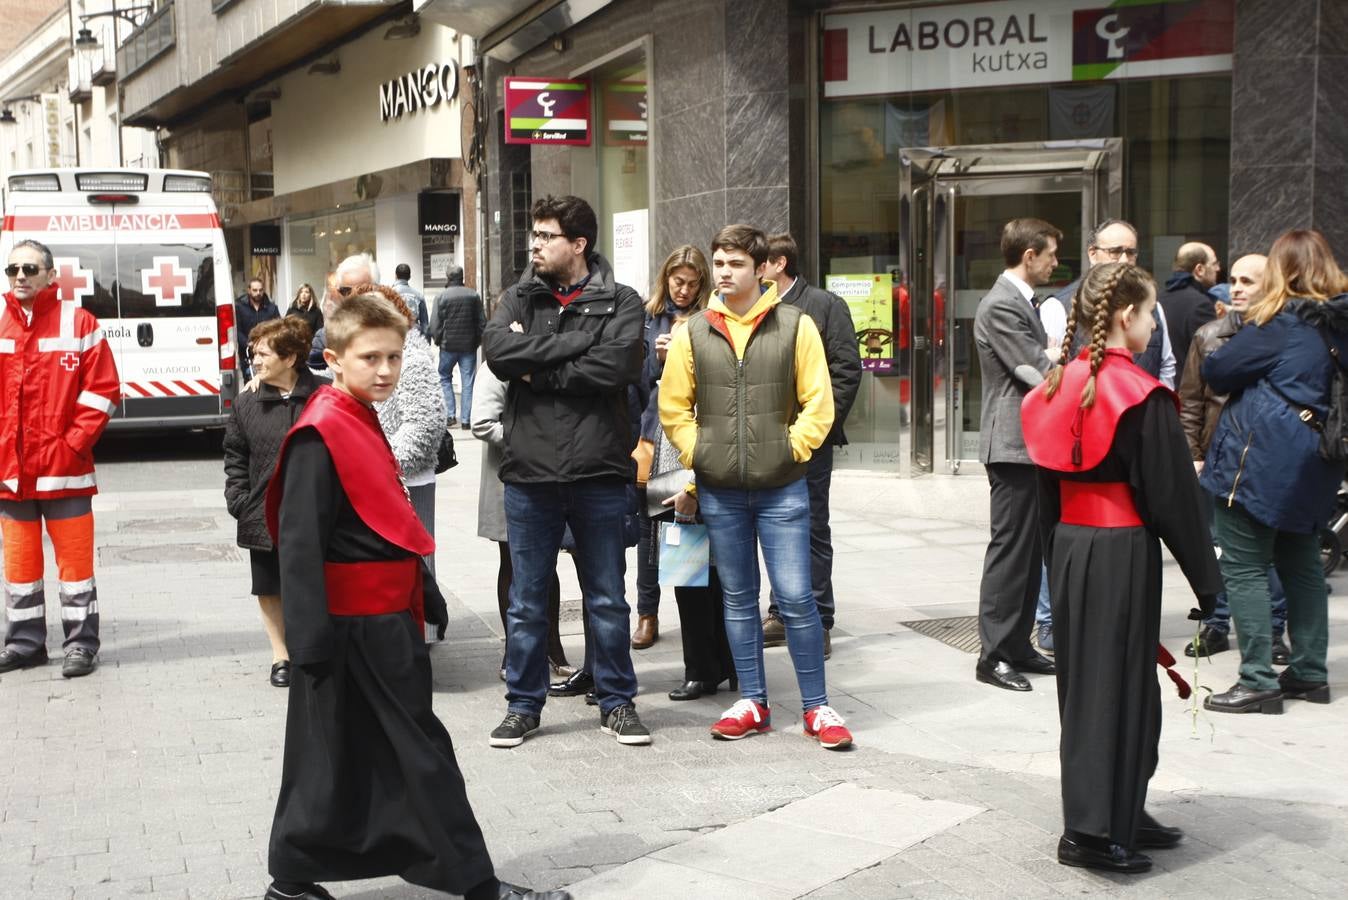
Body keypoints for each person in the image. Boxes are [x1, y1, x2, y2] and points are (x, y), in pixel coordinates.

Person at [262, 293, 567, 900]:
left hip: (380, 621)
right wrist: (311, 645)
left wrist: (422, 586)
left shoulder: (358, 417)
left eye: (394, 357)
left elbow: (382, 516)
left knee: (332, 758)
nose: (384, 370)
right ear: (332, 358)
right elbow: (298, 549)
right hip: (353, 632)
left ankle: (291, 879)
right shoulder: (319, 435)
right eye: (369, 357)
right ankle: (479, 886)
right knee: (418, 753)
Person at [1022, 261, 1222, 875]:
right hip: (1122, 548)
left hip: (1073, 549)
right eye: (1150, 312)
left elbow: (1044, 498)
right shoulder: (1140, 395)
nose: (1154, 323)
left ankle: (1119, 810)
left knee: (1095, 687)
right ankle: (1090, 831)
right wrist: (1211, 588)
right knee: (1118, 690)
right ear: (1126, 317)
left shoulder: (1055, 387)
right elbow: (1175, 503)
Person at [660, 224, 852, 750]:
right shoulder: (694, 331)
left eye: (736, 264)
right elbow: (674, 406)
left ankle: (817, 706)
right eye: (719, 263)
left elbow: (820, 400)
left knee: (795, 598)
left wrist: (793, 447)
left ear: (762, 268)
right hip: (720, 488)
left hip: (783, 487)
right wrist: (698, 453)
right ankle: (753, 701)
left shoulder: (796, 325)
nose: (724, 273)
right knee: (739, 600)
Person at [481, 195, 650, 749]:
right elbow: (501, 354)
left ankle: (617, 702)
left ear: (578, 244)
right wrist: (576, 345)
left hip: (599, 471)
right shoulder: (517, 297)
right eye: (534, 234)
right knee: (527, 600)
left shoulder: (621, 300)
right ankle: (523, 706)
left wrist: (542, 367)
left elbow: (620, 364)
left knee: (607, 596)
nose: (535, 244)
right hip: (529, 473)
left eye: (546, 236)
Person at [1199, 229, 1348, 714]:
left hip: (1261, 461)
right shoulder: (1338, 324)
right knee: (1301, 561)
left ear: (1281, 270)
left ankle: (1258, 678)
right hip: (1318, 460)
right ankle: (1308, 673)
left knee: (1243, 566)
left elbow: (1217, 369)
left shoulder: (1281, 324)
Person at [0, 239, 120, 678]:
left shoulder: (80, 322)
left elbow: (104, 390)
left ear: (51, 276)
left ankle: (81, 645)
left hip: (65, 472)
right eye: (13, 269)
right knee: (19, 568)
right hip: (10, 475)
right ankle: (25, 643)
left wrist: (71, 446)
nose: (20, 276)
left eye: (30, 269)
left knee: (74, 569)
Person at [1177, 254, 1289, 662]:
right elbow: (1190, 400)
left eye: (1249, 281)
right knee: (1216, 547)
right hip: (1218, 460)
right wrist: (1193, 453)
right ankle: (1218, 623)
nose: (1237, 287)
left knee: (1268, 550)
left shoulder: (1284, 336)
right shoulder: (1208, 336)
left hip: (1265, 460)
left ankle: (1273, 629)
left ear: (1270, 286)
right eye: (1235, 279)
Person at [760, 233, 862, 658]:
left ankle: (818, 619)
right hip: (766, 438)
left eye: (759, 262)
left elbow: (846, 370)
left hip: (811, 441)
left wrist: (816, 426)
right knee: (773, 526)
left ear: (779, 263)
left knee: (811, 528)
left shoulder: (824, 305)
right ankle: (780, 611)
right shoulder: (758, 307)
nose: (753, 269)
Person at [972, 218, 1060, 692]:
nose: (1053, 263)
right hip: (1011, 446)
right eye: (1049, 254)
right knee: (1011, 552)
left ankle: (1018, 645)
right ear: (1029, 255)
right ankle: (995, 655)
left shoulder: (1017, 301)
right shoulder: (1001, 305)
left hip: (1030, 445)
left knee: (1030, 552)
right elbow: (1038, 370)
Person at [223, 317, 320, 688]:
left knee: (313, 582)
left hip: (312, 511)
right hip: (262, 510)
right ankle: (281, 655)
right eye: (254, 353)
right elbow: (235, 454)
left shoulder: (322, 395)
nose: (256, 361)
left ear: (291, 357)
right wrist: (239, 500)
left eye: (263, 354)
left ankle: (310, 646)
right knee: (268, 586)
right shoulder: (248, 401)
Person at [630, 246, 713, 650]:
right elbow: (637, 381)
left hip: (689, 443)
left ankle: (692, 625)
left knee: (685, 528)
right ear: (665, 279)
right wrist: (659, 361)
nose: (683, 290)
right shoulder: (648, 318)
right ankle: (647, 614)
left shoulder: (708, 319)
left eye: (692, 283)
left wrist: (680, 358)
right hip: (652, 435)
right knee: (650, 530)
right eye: (677, 282)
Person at [471, 362, 575, 681]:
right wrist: (534, 439)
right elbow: (482, 422)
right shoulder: (498, 364)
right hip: (508, 475)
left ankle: (553, 649)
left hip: (547, 477)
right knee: (513, 564)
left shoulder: (552, 357)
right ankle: (513, 652)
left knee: (548, 565)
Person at [356, 283, 446, 579]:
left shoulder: (412, 359)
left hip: (409, 482)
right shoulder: (364, 359)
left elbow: (424, 428)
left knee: (415, 573)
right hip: (374, 481)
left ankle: (425, 628)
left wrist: (379, 468)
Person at [1052, 220, 1176, 388]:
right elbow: (1053, 371)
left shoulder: (1153, 306)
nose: (1124, 259)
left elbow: (1166, 364)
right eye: (1115, 251)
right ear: (1092, 254)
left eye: (1131, 252)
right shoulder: (1059, 306)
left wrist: (1159, 405)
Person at [430, 264, 486, 429]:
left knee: (444, 377)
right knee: (468, 381)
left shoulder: (441, 297)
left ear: (448, 278)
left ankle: (450, 415)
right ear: (462, 277)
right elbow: (482, 322)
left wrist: (439, 340)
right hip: (468, 346)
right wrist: (478, 341)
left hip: (448, 347)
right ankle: (467, 420)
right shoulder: (473, 295)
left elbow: (435, 324)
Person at [1160, 242, 1221, 368]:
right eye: (1214, 263)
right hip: (1187, 385)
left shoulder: (1158, 298)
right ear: (1199, 269)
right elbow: (1212, 359)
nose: (1218, 269)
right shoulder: (1201, 305)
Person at [235, 277, 281, 379]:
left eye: (260, 290)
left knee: (268, 379)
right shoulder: (240, 307)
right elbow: (237, 330)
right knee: (250, 381)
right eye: (255, 290)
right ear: (249, 290)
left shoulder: (272, 308)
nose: (258, 293)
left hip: (267, 351)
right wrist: (248, 344)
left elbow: (278, 328)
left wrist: (270, 342)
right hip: (247, 352)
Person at [391, 263, 430, 337]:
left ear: (395, 276)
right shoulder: (418, 295)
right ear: (409, 277)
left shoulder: (388, 294)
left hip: (396, 336)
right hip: (414, 335)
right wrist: (426, 343)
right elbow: (425, 324)